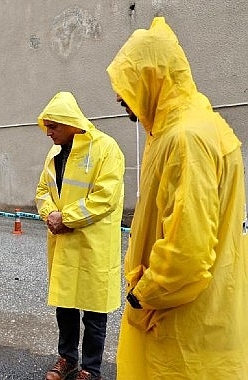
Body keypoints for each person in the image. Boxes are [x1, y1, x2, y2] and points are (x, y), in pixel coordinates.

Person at [106, 17, 248, 379]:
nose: (120, 98)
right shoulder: (192, 126)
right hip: (201, 314)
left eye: (128, 85)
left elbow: (187, 253)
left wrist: (143, 296)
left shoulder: (185, 139)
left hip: (181, 325)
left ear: (154, 79)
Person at [35, 92, 125, 380]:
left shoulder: (106, 149)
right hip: (63, 244)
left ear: (71, 123)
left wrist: (67, 218)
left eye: (53, 127)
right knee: (66, 308)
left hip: (92, 245)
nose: (48, 133)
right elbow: (42, 192)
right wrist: (50, 214)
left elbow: (105, 197)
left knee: (95, 313)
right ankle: (67, 359)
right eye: (47, 127)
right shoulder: (54, 153)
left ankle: (91, 369)